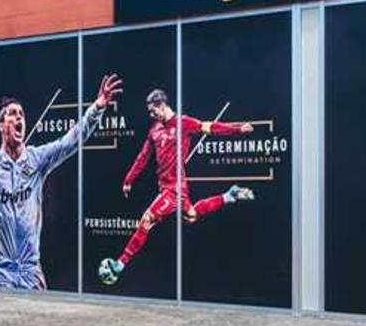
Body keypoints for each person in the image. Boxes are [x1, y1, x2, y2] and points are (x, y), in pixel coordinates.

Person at [0, 70, 121, 291]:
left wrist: (97, 107)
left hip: (31, 272)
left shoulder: (37, 159)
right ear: (1, 125)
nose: (19, 117)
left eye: (21, 114)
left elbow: (71, 140)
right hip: (1, 273)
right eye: (12, 114)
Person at [97, 88, 266, 287]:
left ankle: (119, 264)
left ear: (162, 105)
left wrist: (237, 129)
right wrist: (129, 179)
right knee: (192, 214)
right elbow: (143, 156)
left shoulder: (183, 123)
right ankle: (230, 195)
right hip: (167, 187)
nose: (151, 115)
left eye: (153, 110)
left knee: (147, 219)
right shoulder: (154, 130)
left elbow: (210, 127)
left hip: (175, 188)